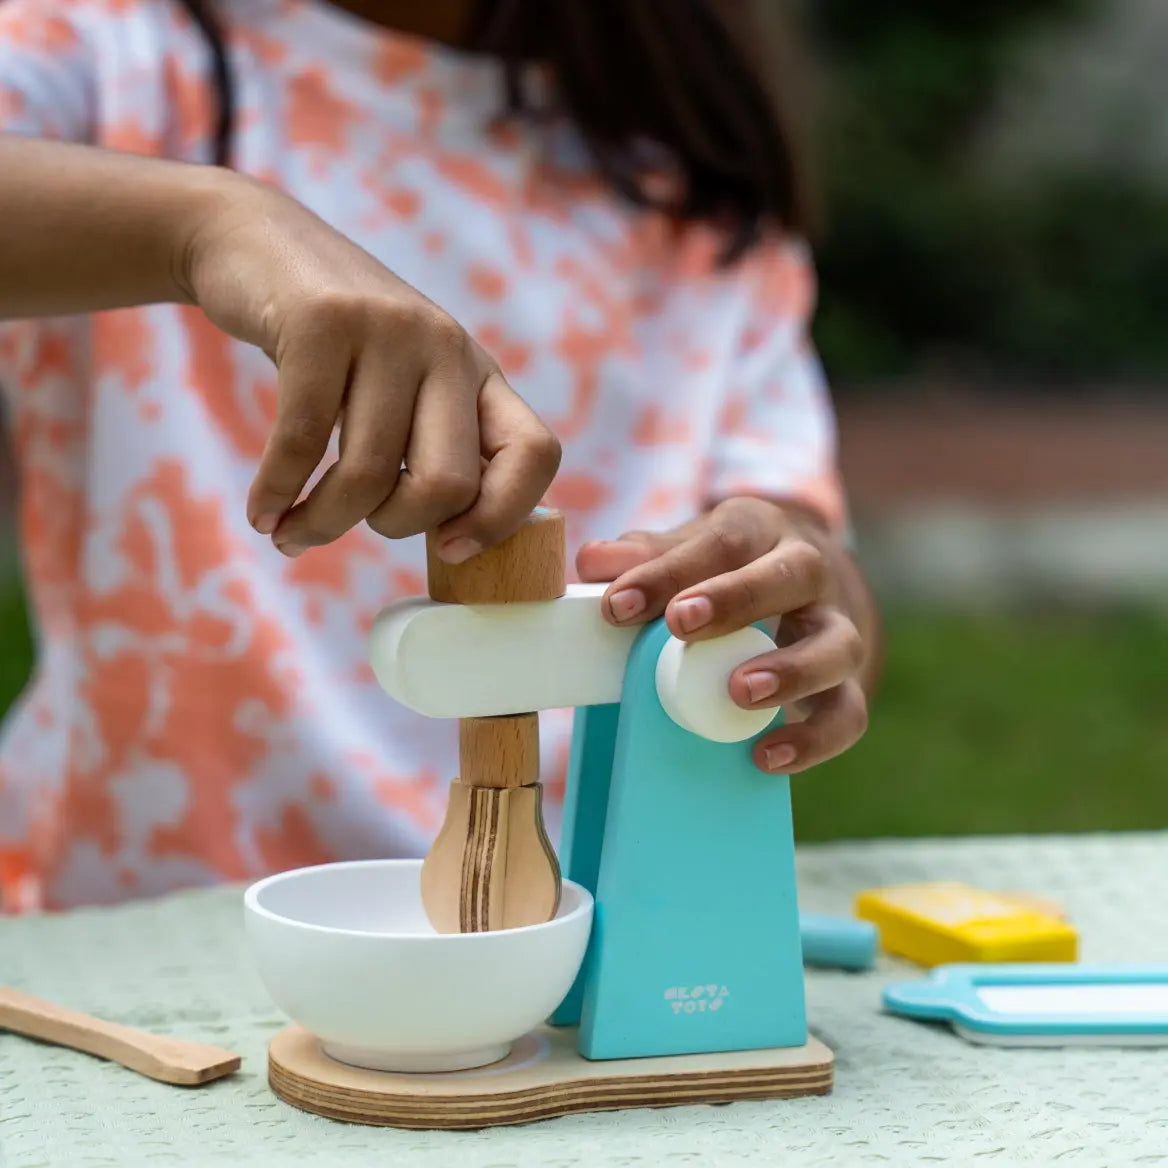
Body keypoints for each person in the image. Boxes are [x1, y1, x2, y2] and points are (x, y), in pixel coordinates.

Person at [0, 0, 879, 911]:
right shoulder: (106, 49)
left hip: (595, 940)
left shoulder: (693, 179)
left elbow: (804, 553)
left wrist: (800, 603)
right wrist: (204, 223)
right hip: (130, 926)